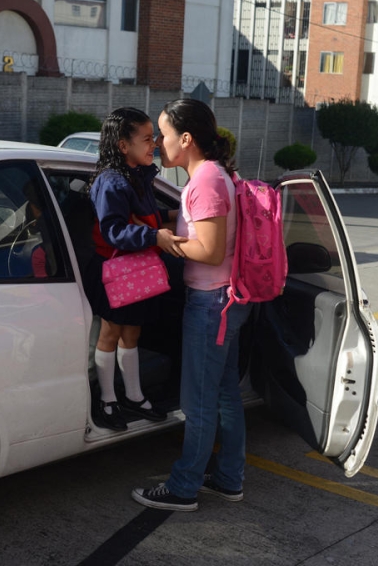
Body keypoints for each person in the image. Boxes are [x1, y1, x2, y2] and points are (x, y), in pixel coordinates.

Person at [131, 98, 252, 511]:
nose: (159, 144)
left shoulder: (206, 181)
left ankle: (184, 488)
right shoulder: (212, 176)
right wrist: (162, 223)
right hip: (224, 300)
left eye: (163, 135)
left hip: (211, 303)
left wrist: (165, 241)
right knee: (222, 395)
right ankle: (228, 479)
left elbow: (212, 250)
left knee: (198, 401)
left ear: (186, 138)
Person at [85, 106, 186, 431]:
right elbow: (114, 230)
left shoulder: (135, 177)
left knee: (132, 332)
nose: (153, 144)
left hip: (135, 270)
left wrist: (173, 217)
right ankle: (108, 400)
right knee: (111, 332)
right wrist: (155, 235)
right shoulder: (112, 182)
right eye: (146, 139)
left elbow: (142, 217)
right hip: (116, 269)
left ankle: (133, 396)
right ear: (123, 145)